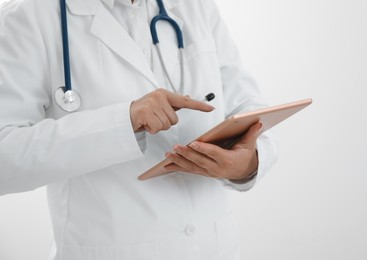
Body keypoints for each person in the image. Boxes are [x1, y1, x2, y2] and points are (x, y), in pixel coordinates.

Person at [0, 0, 277, 259]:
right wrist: (123, 122)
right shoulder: (29, 14)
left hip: (213, 248)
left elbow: (250, 109)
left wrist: (248, 164)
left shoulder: (195, 5)